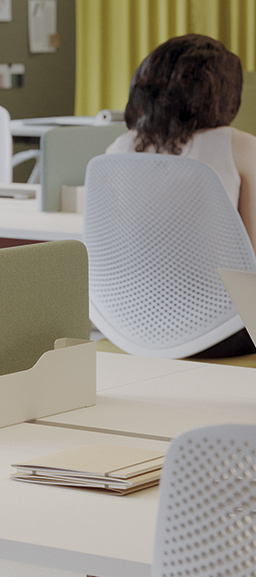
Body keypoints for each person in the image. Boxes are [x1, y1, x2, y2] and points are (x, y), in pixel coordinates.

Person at [106, 33, 256, 356]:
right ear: (225, 93)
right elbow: (253, 260)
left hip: (132, 325)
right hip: (220, 329)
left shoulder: (119, 149)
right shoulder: (240, 147)